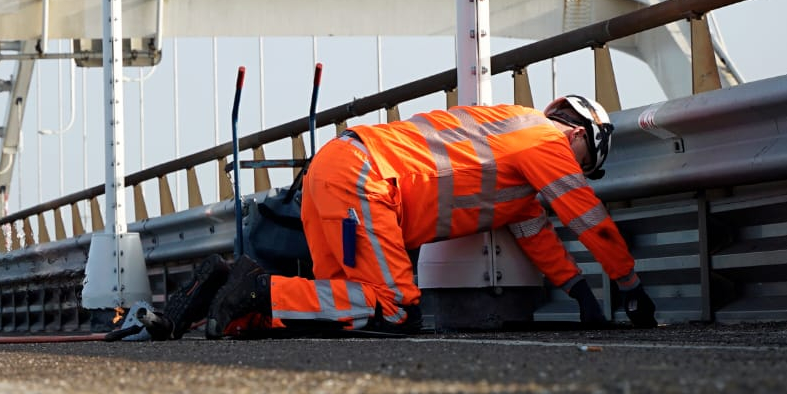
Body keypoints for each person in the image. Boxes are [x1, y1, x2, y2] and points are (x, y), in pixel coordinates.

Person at [174, 95, 656, 337]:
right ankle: (259, 288)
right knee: (396, 309)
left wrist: (581, 294)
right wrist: (631, 288)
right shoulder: (546, 139)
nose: (574, 175)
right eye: (584, 162)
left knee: (341, 308)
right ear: (578, 134)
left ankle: (227, 291)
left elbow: (538, 236)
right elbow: (589, 218)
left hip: (334, 169)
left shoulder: (512, 149)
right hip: (368, 181)